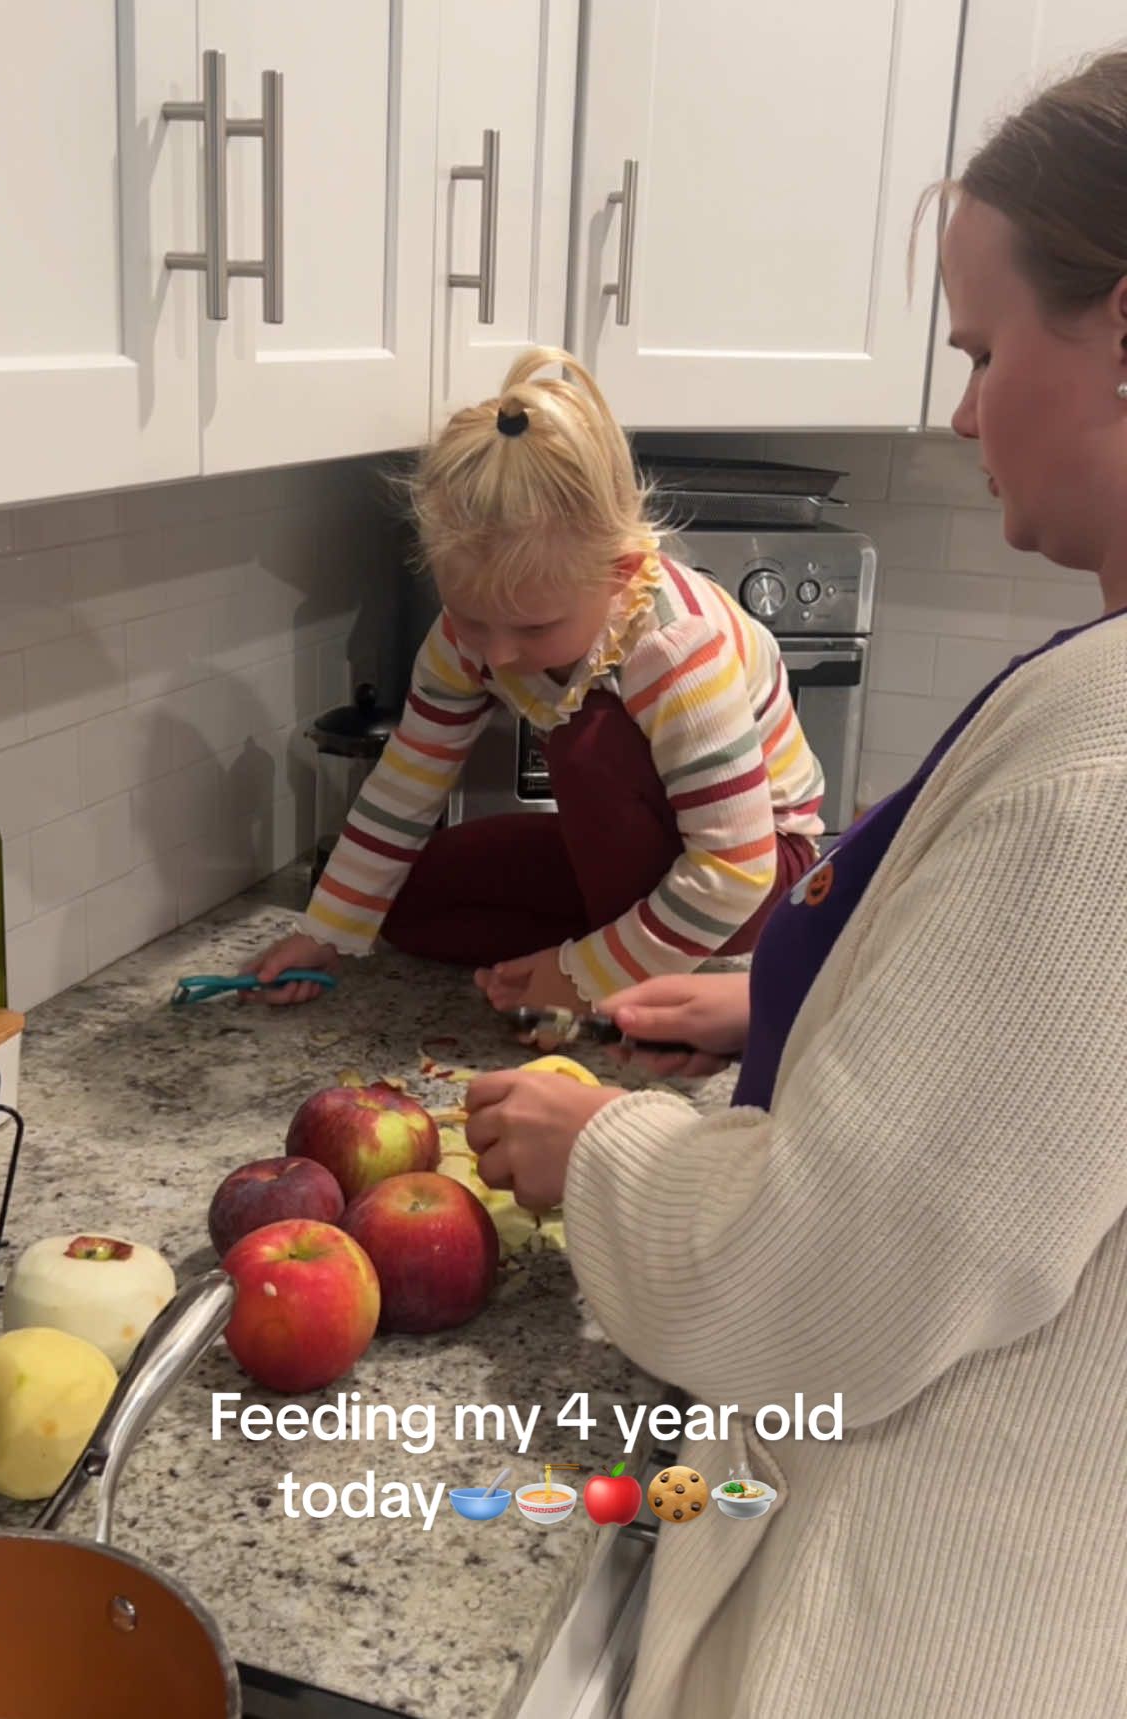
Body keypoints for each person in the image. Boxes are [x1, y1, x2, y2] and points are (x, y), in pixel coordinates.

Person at [464, 49, 1127, 1719]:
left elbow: (829, 1271)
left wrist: (594, 1146)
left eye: (983, 350)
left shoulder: (1100, 775)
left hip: (922, 1615)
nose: (966, 410)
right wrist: (804, 1002)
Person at [244, 349, 824, 1013]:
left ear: (621, 572)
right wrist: (326, 931)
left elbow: (736, 870)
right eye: (471, 617)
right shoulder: (475, 636)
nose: (498, 653)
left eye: (534, 628)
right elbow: (407, 781)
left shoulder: (672, 648)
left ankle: (633, 960)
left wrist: (580, 979)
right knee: (405, 904)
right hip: (637, 861)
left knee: (591, 740)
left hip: (762, 874)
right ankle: (632, 942)